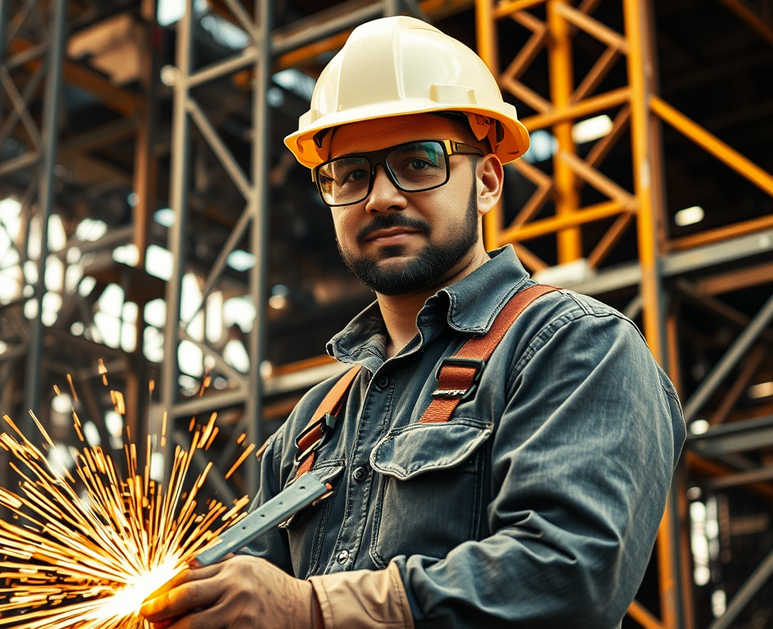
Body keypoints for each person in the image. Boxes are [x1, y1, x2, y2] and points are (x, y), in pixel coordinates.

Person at [140, 15, 685, 629]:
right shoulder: (310, 428)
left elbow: (567, 575)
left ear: (486, 180)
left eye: (419, 161)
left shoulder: (572, 347)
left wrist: (311, 610)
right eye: (351, 174)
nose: (380, 197)